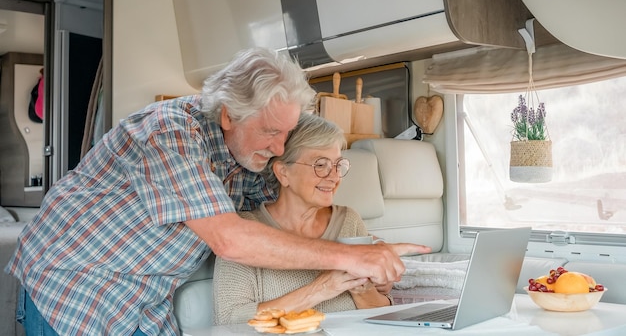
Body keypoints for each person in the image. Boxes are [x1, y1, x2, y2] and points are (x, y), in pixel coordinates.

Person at [5, 47, 428, 336]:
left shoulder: (254, 158)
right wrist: (349, 257)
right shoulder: (169, 132)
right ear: (228, 114)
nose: (277, 147)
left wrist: (371, 250)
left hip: (145, 299)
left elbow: (297, 178)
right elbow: (229, 238)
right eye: (269, 132)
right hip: (74, 287)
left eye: (285, 134)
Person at [213, 113, 423, 325]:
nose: (334, 177)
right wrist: (322, 288)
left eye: (338, 165)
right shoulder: (243, 232)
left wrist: (362, 289)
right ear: (283, 172)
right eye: (320, 165)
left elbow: (383, 316)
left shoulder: (349, 221)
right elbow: (231, 321)